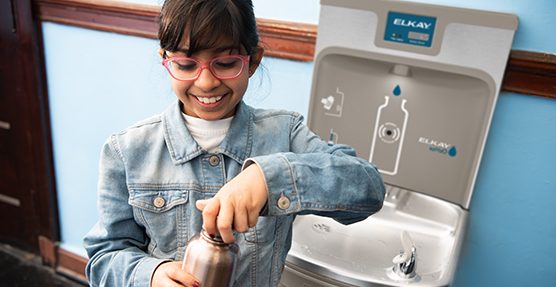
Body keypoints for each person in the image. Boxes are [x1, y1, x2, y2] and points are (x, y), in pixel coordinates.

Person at [83, 0, 385, 286]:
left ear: (253, 61)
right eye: (187, 65)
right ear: (166, 60)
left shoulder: (286, 133)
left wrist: (270, 179)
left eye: (226, 63)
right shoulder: (126, 151)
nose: (206, 82)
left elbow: (367, 187)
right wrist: (150, 275)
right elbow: (104, 257)